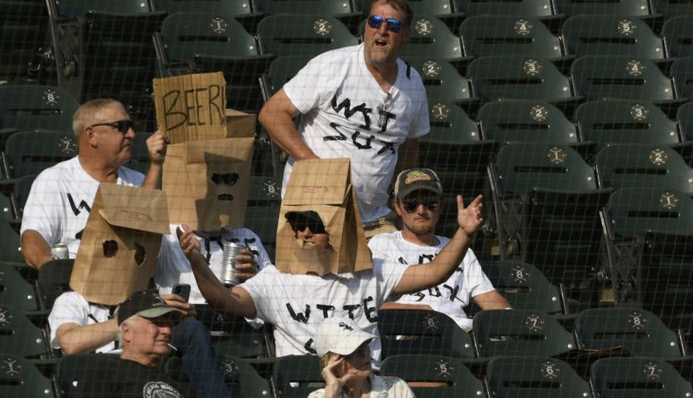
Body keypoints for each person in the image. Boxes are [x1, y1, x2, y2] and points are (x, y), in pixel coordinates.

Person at [177, 193, 484, 368]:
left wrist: (464, 233)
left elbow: (435, 272)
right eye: (298, 226)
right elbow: (225, 301)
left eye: (314, 225)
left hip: (368, 383)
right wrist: (198, 264)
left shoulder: (369, 271)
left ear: (335, 230)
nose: (304, 234)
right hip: (308, 385)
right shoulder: (275, 279)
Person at [259, 0, 430, 237]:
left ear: (405, 35)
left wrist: (404, 201)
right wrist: (313, 164)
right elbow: (272, 114)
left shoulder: (413, 86)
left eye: (392, 26)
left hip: (374, 220)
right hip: (314, 213)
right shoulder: (331, 65)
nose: (381, 31)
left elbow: (410, 147)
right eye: (375, 22)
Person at [20, 98, 168, 269]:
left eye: (131, 126)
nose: (131, 134)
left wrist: (156, 165)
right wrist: (60, 275)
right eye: (121, 126)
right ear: (92, 135)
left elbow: (146, 232)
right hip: (79, 283)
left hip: (133, 283)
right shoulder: (55, 180)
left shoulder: (139, 181)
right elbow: (33, 239)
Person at [369, 169, 510, 331]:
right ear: (398, 208)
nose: (421, 210)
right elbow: (369, 302)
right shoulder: (382, 244)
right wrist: (414, 311)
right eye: (411, 203)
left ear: (441, 207)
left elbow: (489, 298)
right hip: (405, 331)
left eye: (430, 202)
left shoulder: (460, 249)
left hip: (458, 334)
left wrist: (514, 324)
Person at [48, 289, 235, 398]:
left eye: (170, 324)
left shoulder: (183, 386)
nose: (168, 331)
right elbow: (69, 344)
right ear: (127, 332)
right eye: (157, 323)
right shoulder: (100, 371)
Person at [309, 316, 414, 398]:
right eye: (351, 351)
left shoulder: (396, 388)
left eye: (364, 344)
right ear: (331, 364)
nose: (364, 353)